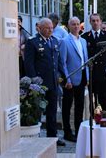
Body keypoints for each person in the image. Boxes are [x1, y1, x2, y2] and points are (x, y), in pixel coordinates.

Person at [23, 18, 66, 146]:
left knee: (52, 111)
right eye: (47, 28)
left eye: (52, 28)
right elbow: (28, 63)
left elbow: (57, 61)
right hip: (39, 84)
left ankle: (52, 137)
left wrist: (63, 75)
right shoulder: (33, 42)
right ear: (40, 28)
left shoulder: (54, 41)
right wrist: (33, 78)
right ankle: (35, 136)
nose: (50, 30)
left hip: (53, 82)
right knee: (37, 110)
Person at [59, 17, 88, 142]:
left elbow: (85, 60)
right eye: (73, 24)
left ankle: (78, 131)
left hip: (81, 78)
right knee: (67, 107)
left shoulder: (83, 41)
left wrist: (87, 76)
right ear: (69, 26)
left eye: (77, 24)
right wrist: (67, 80)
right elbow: (63, 62)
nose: (76, 26)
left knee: (79, 106)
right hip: (70, 80)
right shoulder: (64, 41)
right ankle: (67, 132)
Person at [81, 13, 106, 110]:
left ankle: (104, 119)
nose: (95, 23)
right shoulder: (85, 37)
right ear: (90, 22)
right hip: (92, 72)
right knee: (92, 101)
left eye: (97, 20)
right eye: (93, 21)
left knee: (104, 99)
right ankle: (93, 121)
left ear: (100, 22)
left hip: (104, 72)